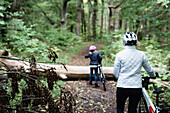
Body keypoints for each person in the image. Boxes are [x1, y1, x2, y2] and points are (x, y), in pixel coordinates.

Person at [113, 32, 155, 113]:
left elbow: (116, 73)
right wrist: (153, 75)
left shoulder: (119, 55)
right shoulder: (141, 55)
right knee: (132, 109)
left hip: (122, 85)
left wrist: (121, 78)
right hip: (136, 86)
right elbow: (149, 69)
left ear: (124, 42)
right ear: (136, 42)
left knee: (120, 108)